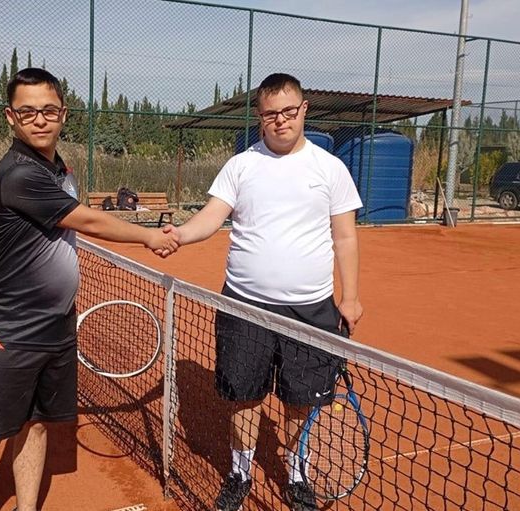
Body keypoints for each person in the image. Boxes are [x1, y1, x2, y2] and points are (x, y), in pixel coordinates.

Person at [0, 67, 178, 511]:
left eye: (49, 110)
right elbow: (85, 220)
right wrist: (149, 236)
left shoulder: (61, 169)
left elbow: (71, 217)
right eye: (27, 111)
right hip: (10, 332)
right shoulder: (18, 174)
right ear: (10, 117)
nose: (39, 119)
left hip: (57, 328)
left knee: (35, 425)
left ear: (63, 114)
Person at [163, 73, 364, 511]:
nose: (281, 121)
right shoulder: (241, 166)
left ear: (304, 110)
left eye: (289, 111)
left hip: (311, 308)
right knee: (244, 396)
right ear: (260, 117)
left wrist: (350, 297)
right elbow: (212, 216)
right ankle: (240, 472)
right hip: (243, 306)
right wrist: (180, 234)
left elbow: (345, 236)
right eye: (271, 114)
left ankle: (296, 474)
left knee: (300, 401)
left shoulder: (330, 169)